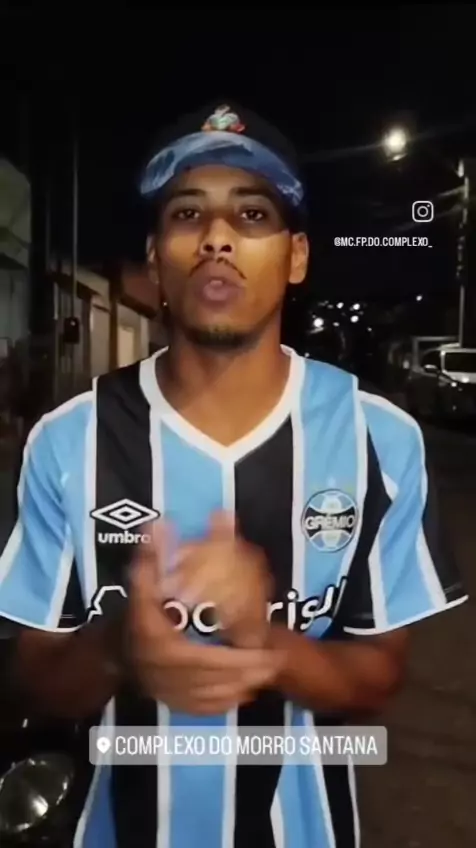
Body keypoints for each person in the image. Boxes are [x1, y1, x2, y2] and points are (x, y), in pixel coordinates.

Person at [0, 101, 467, 848]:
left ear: (296, 257)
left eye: (252, 215)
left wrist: (268, 644)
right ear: (156, 260)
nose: (217, 237)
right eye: (188, 214)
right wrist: (120, 647)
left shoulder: (380, 438)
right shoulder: (66, 441)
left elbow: (378, 676)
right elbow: (32, 677)